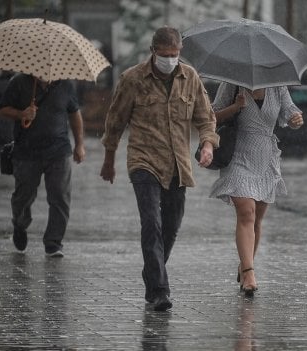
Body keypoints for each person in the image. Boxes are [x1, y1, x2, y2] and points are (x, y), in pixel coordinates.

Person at [99, 27, 218, 311]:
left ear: (180, 52)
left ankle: (152, 271)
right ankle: (159, 290)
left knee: (172, 226)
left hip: (178, 163)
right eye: (164, 55)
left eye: (174, 55)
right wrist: (108, 159)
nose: (169, 60)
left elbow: (206, 118)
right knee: (151, 222)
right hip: (144, 161)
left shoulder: (190, 78)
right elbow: (115, 121)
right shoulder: (132, 79)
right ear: (153, 51)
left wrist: (207, 145)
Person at [209, 82, 303, 297]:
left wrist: (296, 118)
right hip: (238, 156)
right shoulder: (232, 84)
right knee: (246, 212)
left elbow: (290, 110)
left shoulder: (277, 85)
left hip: (266, 158)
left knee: (257, 218)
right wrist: (235, 107)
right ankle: (249, 272)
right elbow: (212, 116)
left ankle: (245, 263)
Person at [0, 74, 85, 258]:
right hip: (27, 152)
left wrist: (79, 145)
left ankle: (53, 243)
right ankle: (20, 224)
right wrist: (21, 114)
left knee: (60, 196)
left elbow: (75, 113)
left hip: (59, 151)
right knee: (24, 196)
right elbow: (2, 110)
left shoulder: (66, 85)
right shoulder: (19, 82)